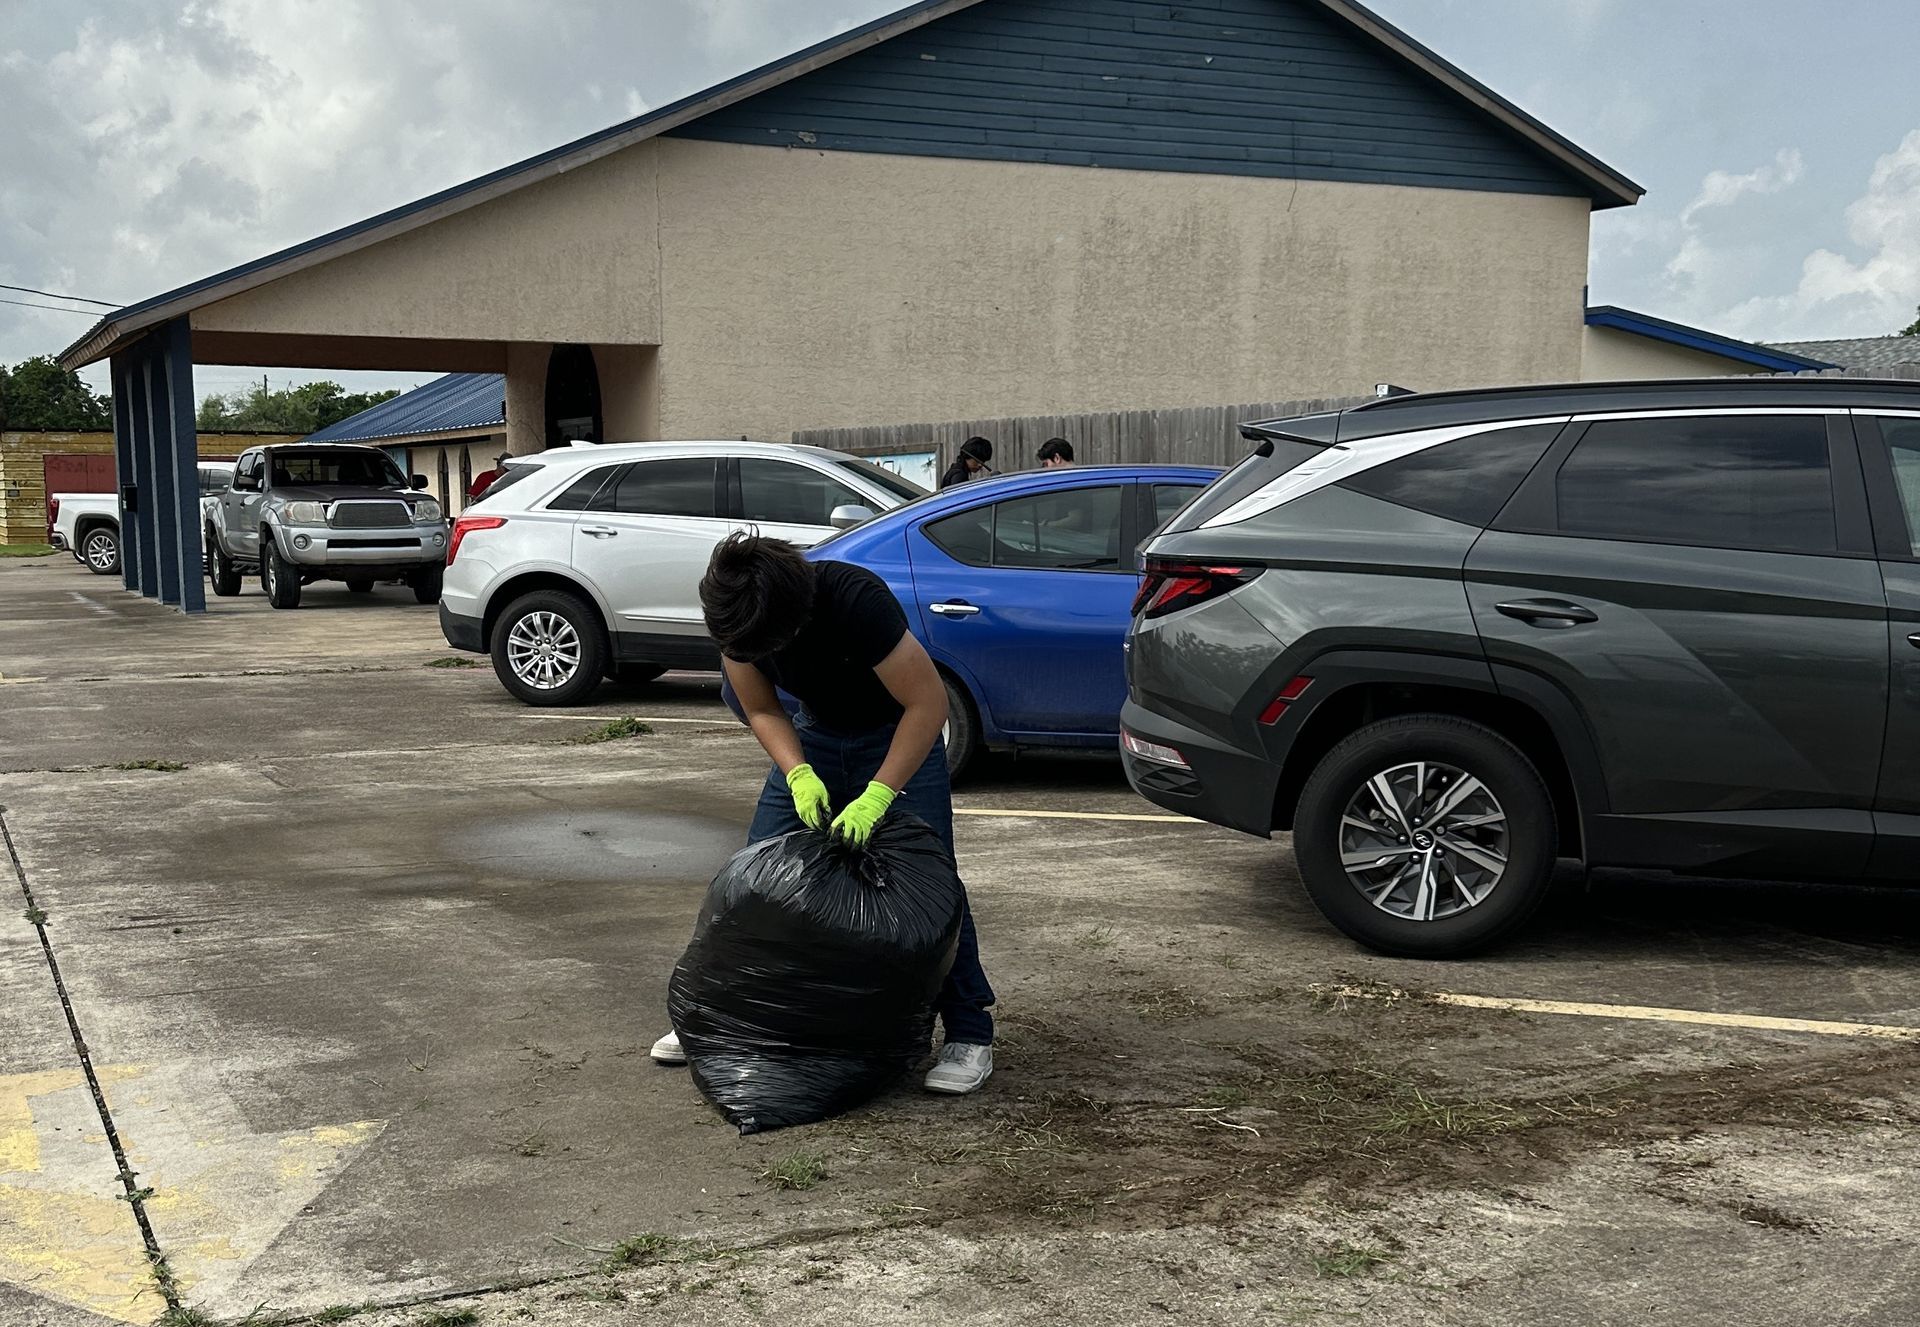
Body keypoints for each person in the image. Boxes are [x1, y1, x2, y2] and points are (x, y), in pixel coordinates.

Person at [650, 532, 998, 1094]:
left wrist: (880, 793)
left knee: (933, 885)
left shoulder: (853, 599)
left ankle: (969, 1032)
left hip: (892, 733)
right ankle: (717, 1017)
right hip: (814, 737)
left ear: (798, 613)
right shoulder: (739, 617)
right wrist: (797, 772)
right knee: (754, 881)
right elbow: (761, 707)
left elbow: (926, 703)